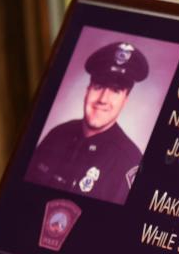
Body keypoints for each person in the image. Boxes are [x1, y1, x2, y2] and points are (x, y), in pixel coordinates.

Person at [26, 41, 150, 204]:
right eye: (98, 86)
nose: (103, 99)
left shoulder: (129, 161)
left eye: (115, 91)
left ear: (125, 100)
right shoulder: (56, 134)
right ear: (87, 89)